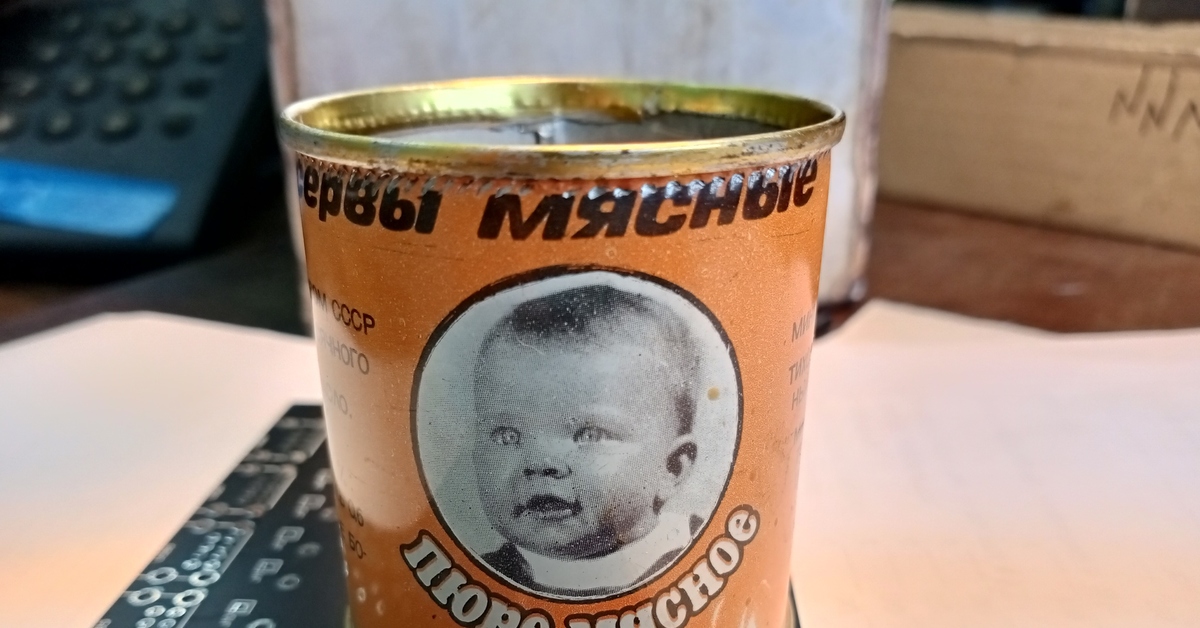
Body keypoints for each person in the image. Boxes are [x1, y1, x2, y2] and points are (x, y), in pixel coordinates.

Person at [471, 283, 705, 597]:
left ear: (672, 468)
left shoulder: (701, 551)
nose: (540, 462)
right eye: (508, 436)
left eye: (590, 435)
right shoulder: (479, 575)